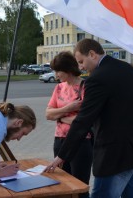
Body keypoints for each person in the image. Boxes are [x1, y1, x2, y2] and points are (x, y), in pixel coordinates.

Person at [45, 39, 133, 198]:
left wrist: (62, 156)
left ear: (92, 54)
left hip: (116, 157)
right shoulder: (127, 68)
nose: (81, 67)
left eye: (81, 61)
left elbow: (83, 120)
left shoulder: (96, 79)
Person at [45, 51, 92, 198]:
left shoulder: (85, 87)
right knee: (63, 184)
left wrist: (59, 116)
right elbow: (48, 114)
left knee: (79, 185)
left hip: (81, 141)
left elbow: (83, 120)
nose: (56, 74)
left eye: (58, 71)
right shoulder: (59, 88)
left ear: (69, 70)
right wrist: (68, 109)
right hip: (59, 140)